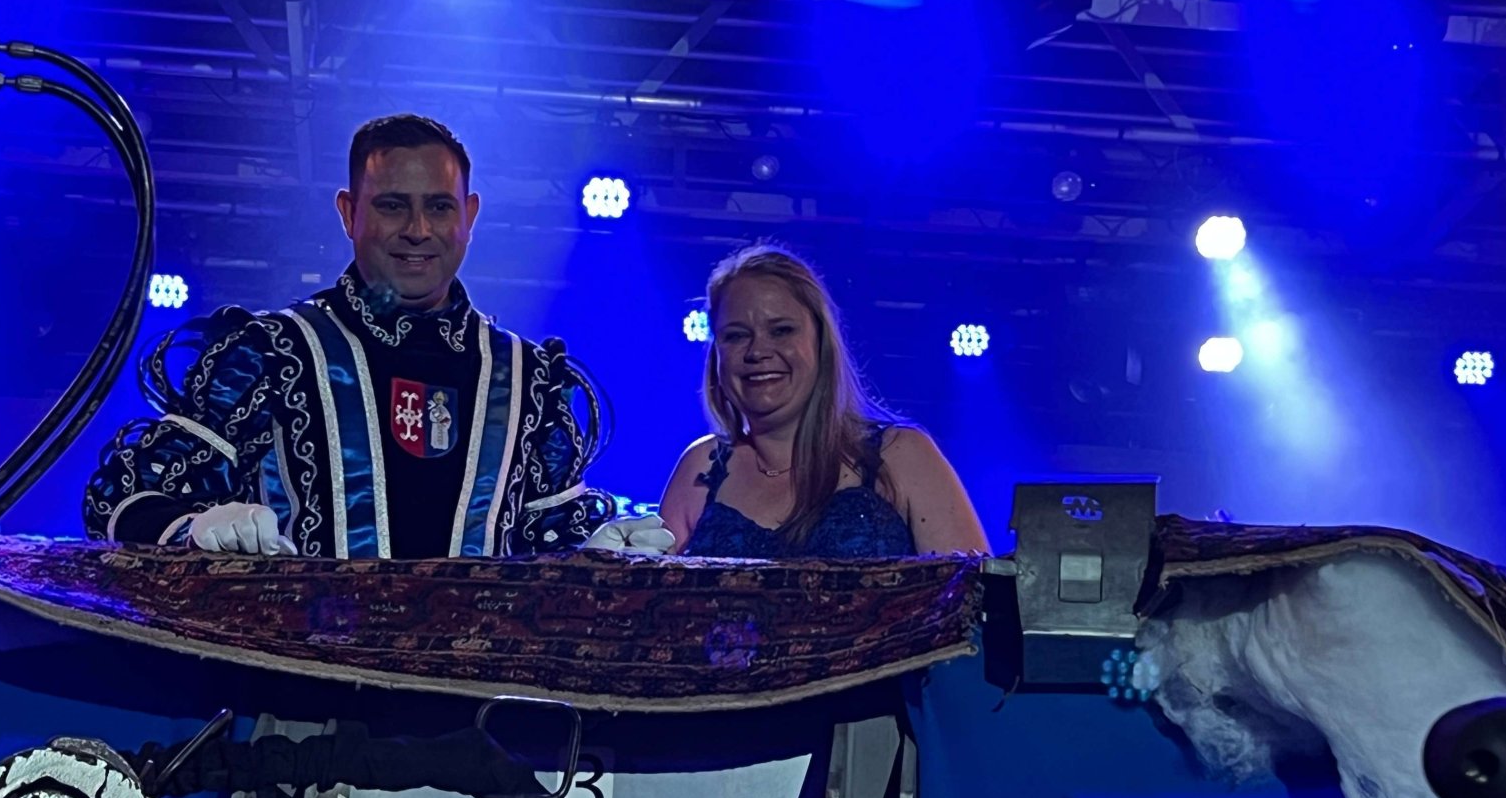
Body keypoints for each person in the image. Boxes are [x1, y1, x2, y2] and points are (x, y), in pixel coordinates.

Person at [82, 114, 614, 559]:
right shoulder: (270, 353)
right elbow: (120, 501)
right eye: (392, 205)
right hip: (297, 655)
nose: (418, 230)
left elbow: (553, 537)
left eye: (439, 206)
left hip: (476, 659)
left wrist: (604, 551)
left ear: (469, 216)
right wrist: (195, 527)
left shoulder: (527, 377)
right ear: (348, 212)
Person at [650, 244, 988, 559]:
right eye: (736, 336)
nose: (757, 351)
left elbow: (975, 594)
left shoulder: (900, 455)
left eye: (781, 330)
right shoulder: (701, 467)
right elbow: (650, 596)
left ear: (821, 341)